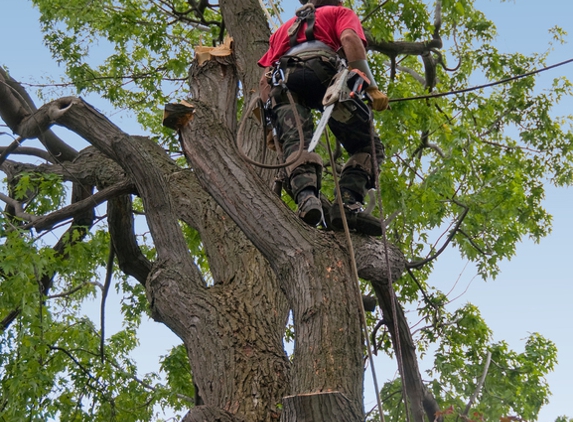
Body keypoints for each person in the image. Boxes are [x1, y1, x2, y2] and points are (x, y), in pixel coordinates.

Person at [258, 0, 388, 235]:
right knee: (367, 146)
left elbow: (263, 81)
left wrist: (271, 127)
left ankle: (307, 199)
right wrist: (371, 88)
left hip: (285, 84)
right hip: (325, 77)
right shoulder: (339, 12)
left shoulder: (283, 30)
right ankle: (347, 205)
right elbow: (349, 40)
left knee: (295, 144)